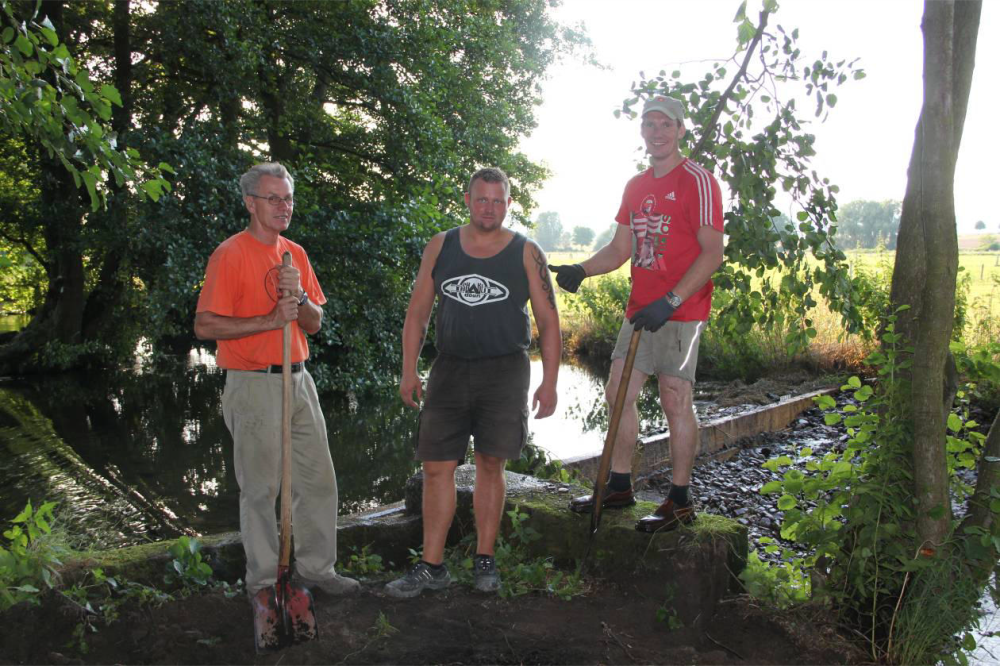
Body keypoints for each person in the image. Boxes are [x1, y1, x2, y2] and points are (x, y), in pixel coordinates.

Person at [550, 95, 724, 532]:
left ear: (681, 130)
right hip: (640, 311)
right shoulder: (636, 185)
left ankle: (679, 500)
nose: (658, 132)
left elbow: (712, 254)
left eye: (666, 124)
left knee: (674, 397)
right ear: (642, 132)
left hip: (681, 312)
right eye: (650, 125)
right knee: (616, 392)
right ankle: (620, 485)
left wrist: (671, 301)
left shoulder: (698, 181)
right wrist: (582, 270)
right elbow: (621, 249)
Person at [385, 167, 561, 597]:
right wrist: (409, 370)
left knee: (490, 463)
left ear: (508, 204)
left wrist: (549, 381)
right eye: (482, 199)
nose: (489, 207)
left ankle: (485, 560)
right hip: (449, 368)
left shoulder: (526, 251)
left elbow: (549, 320)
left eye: (498, 200)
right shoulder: (441, 246)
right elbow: (417, 313)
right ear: (467, 199)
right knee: (436, 467)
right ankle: (432, 565)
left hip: (505, 370)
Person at [194, 162, 358, 597]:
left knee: (318, 480)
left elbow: (316, 323)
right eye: (273, 198)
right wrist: (269, 319)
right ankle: (265, 583)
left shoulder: (295, 254)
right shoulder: (230, 254)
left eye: (287, 198)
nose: (283, 206)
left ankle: (318, 570)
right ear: (251, 203)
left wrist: (299, 296)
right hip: (253, 384)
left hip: (299, 380)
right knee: (261, 491)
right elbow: (205, 325)